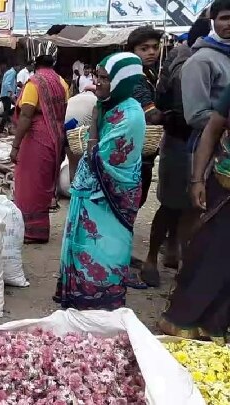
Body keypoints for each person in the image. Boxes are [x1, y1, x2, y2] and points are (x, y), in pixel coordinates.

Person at [54, 53, 146, 310]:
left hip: (109, 200)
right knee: (87, 247)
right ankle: (80, 300)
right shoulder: (110, 106)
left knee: (104, 252)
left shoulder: (130, 115)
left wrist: (94, 125)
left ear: (122, 80)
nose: (98, 83)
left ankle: (101, 304)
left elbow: (98, 161)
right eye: (97, 76)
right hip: (92, 197)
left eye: (105, 78)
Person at [142, 18, 212, 287]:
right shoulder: (187, 62)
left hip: (194, 140)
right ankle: (152, 258)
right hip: (182, 139)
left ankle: (173, 253)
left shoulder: (183, 58)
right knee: (173, 205)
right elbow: (180, 110)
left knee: (187, 207)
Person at [159, 85, 230, 343]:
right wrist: (197, 179)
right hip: (221, 188)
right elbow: (212, 131)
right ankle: (183, 321)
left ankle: (216, 326)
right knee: (204, 254)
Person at [11, 43, 69, 244]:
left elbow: (26, 115)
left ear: (34, 60)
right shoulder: (61, 82)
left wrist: (15, 146)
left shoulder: (34, 83)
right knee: (44, 183)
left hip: (36, 138)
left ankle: (31, 231)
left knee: (30, 183)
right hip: (55, 137)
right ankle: (41, 229)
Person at [120, 26, 162, 287]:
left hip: (140, 154)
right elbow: (151, 115)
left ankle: (122, 256)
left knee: (132, 208)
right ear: (132, 51)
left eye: (154, 47)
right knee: (125, 209)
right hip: (132, 155)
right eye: (144, 48)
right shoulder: (135, 78)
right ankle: (118, 264)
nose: (151, 52)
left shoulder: (147, 74)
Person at [183, 0, 230, 153]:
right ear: (212, 22)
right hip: (214, 150)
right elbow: (196, 115)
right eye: (224, 18)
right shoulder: (200, 61)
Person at [64, 85, 98, 180]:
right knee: (83, 163)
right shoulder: (95, 100)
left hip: (66, 129)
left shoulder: (73, 99)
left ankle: (72, 188)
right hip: (78, 134)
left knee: (72, 163)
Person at [0, 64, 22, 134]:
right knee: (7, 111)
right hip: (7, 95)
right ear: (16, 66)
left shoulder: (9, 72)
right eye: (19, 67)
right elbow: (6, 83)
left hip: (5, 94)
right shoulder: (12, 72)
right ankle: (0, 129)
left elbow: (8, 83)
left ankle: (8, 127)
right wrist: (12, 93)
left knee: (9, 111)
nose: (19, 69)